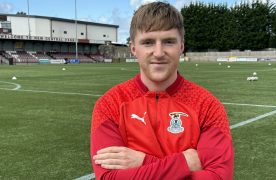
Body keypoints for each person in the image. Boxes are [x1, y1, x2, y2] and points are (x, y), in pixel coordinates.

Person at [90, 1, 234, 179]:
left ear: (181, 46)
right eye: (148, 42)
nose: (158, 52)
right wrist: (185, 163)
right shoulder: (109, 105)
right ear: (134, 48)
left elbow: (219, 177)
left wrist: (143, 162)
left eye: (168, 42)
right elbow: (108, 178)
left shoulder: (208, 106)